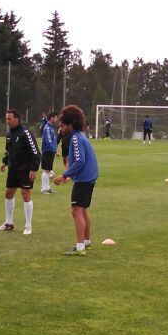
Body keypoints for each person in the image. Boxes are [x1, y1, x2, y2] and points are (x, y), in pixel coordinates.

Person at [54, 104, 99, 256]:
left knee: (76, 211)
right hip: (89, 176)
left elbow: (80, 161)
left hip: (84, 178)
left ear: (71, 124)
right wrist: (70, 173)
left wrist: (64, 176)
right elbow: (77, 161)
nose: (60, 128)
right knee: (83, 209)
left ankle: (80, 248)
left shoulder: (75, 139)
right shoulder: (79, 136)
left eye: (62, 125)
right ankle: (86, 242)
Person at [0, 108, 41, 235]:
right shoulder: (9, 134)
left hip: (25, 170)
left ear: (17, 119)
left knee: (25, 194)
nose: (7, 121)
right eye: (6, 119)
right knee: (8, 194)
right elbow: (8, 150)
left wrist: (34, 169)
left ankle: (28, 226)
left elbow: (36, 152)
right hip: (13, 169)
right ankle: (9, 223)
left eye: (9, 119)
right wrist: (4, 162)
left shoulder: (26, 133)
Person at [40, 111, 59, 194]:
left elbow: (53, 140)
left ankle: (48, 188)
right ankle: (43, 189)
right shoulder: (47, 128)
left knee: (49, 169)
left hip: (50, 151)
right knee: (46, 170)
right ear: (51, 118)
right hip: (47, 151)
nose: (56, 119)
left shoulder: (51, 128)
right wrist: (53, 149)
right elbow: (48, 141)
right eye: (55, 117)